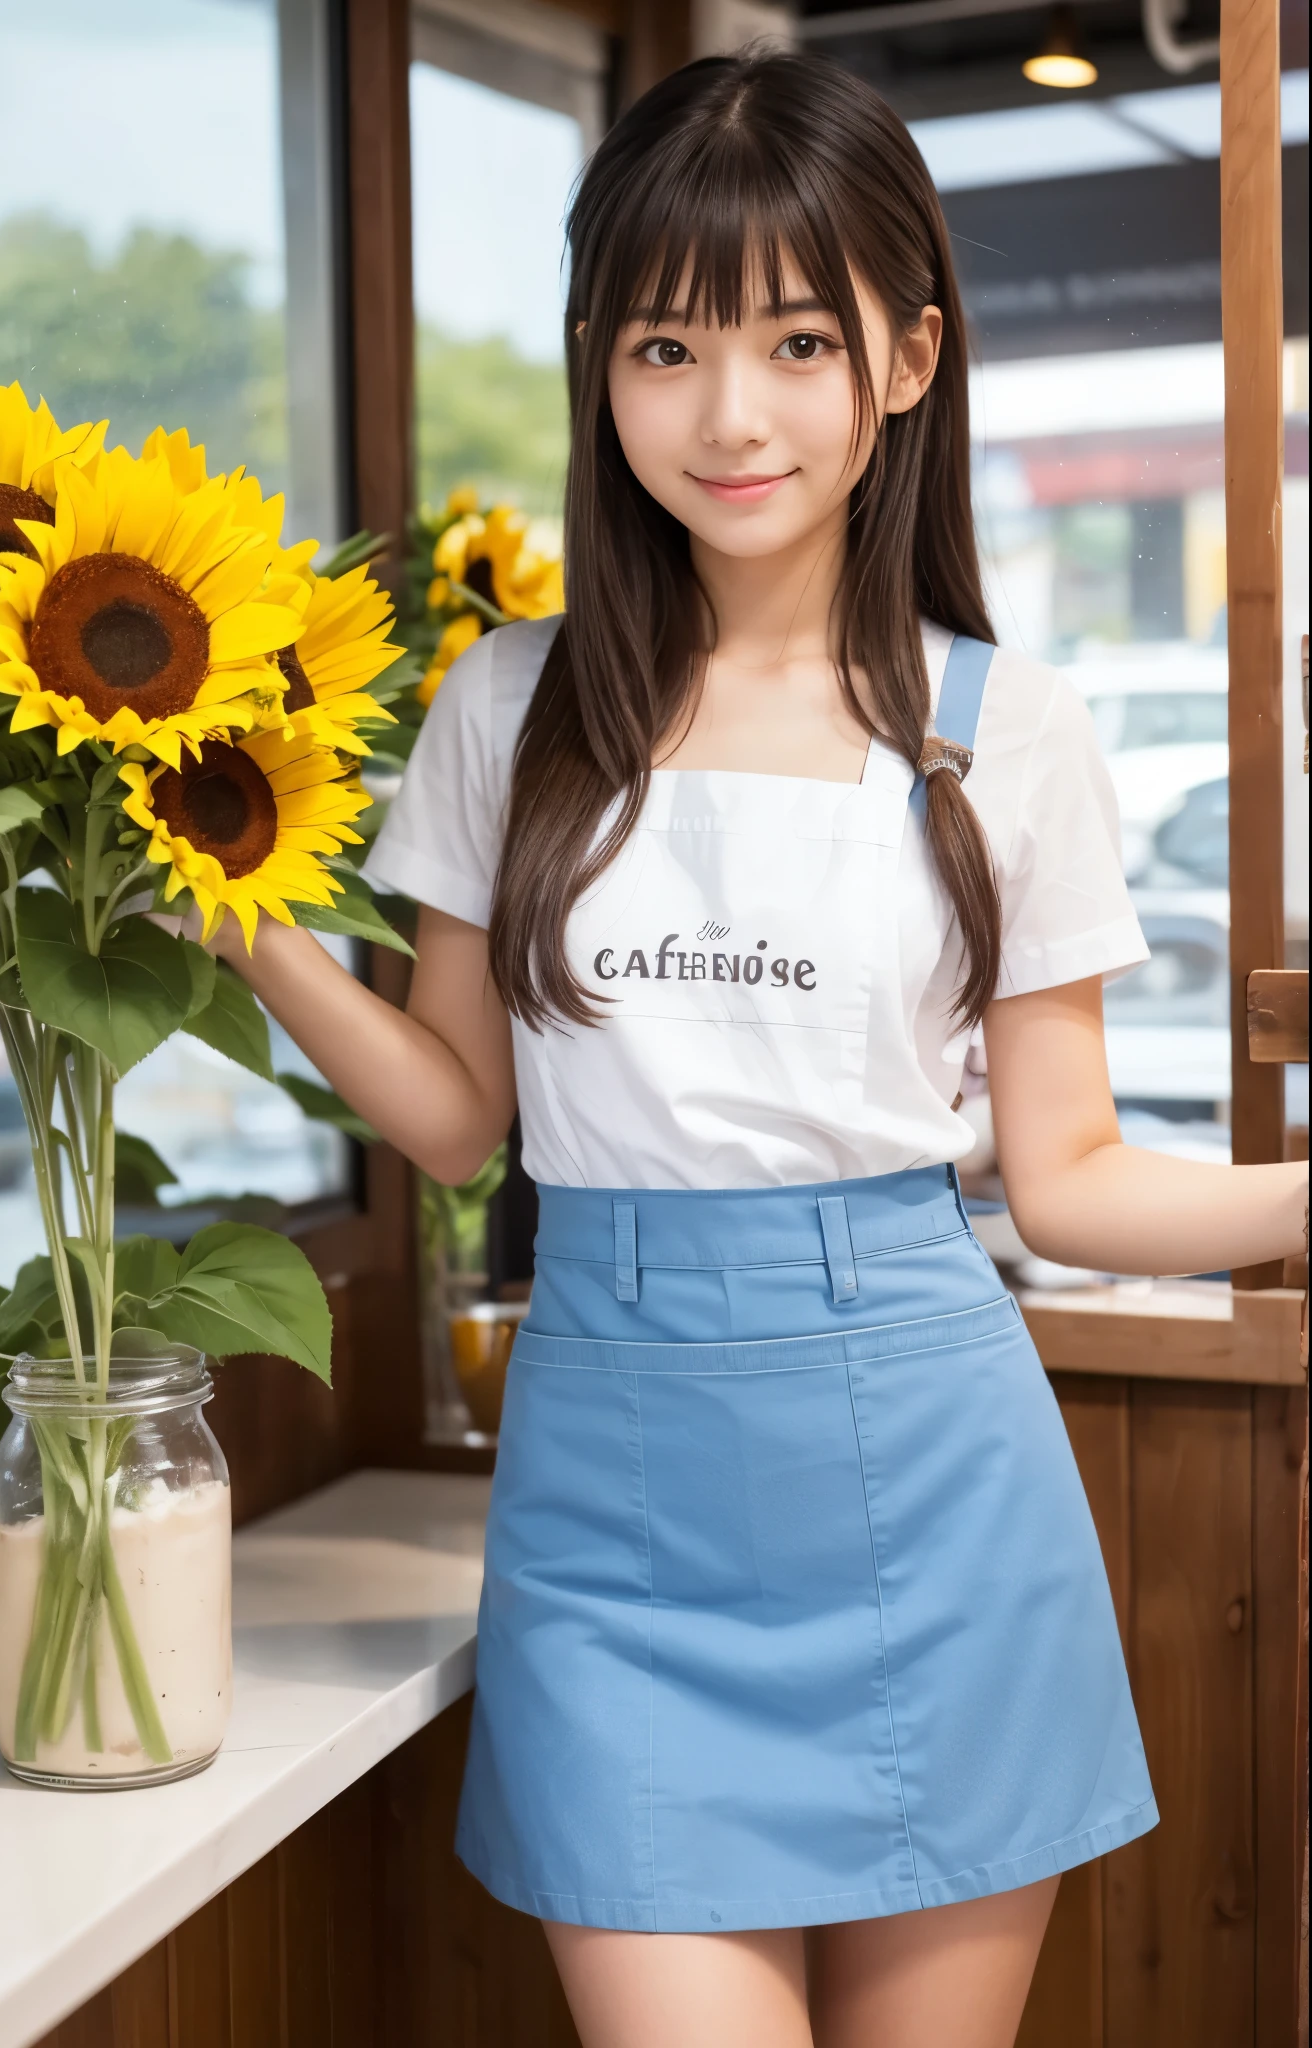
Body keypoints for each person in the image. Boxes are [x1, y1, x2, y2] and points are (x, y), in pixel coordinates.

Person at [209, 51, 1308, 2048]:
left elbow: (1067, 1179)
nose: (727, 413)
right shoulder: (506, 706)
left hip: (936, 1495)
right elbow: (462, 1121)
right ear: (594, 367)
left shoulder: (1002, 725)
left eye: (797, 340)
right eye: (664, 344)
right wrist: (259, 942)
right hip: (613, 1528)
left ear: (902, 358)